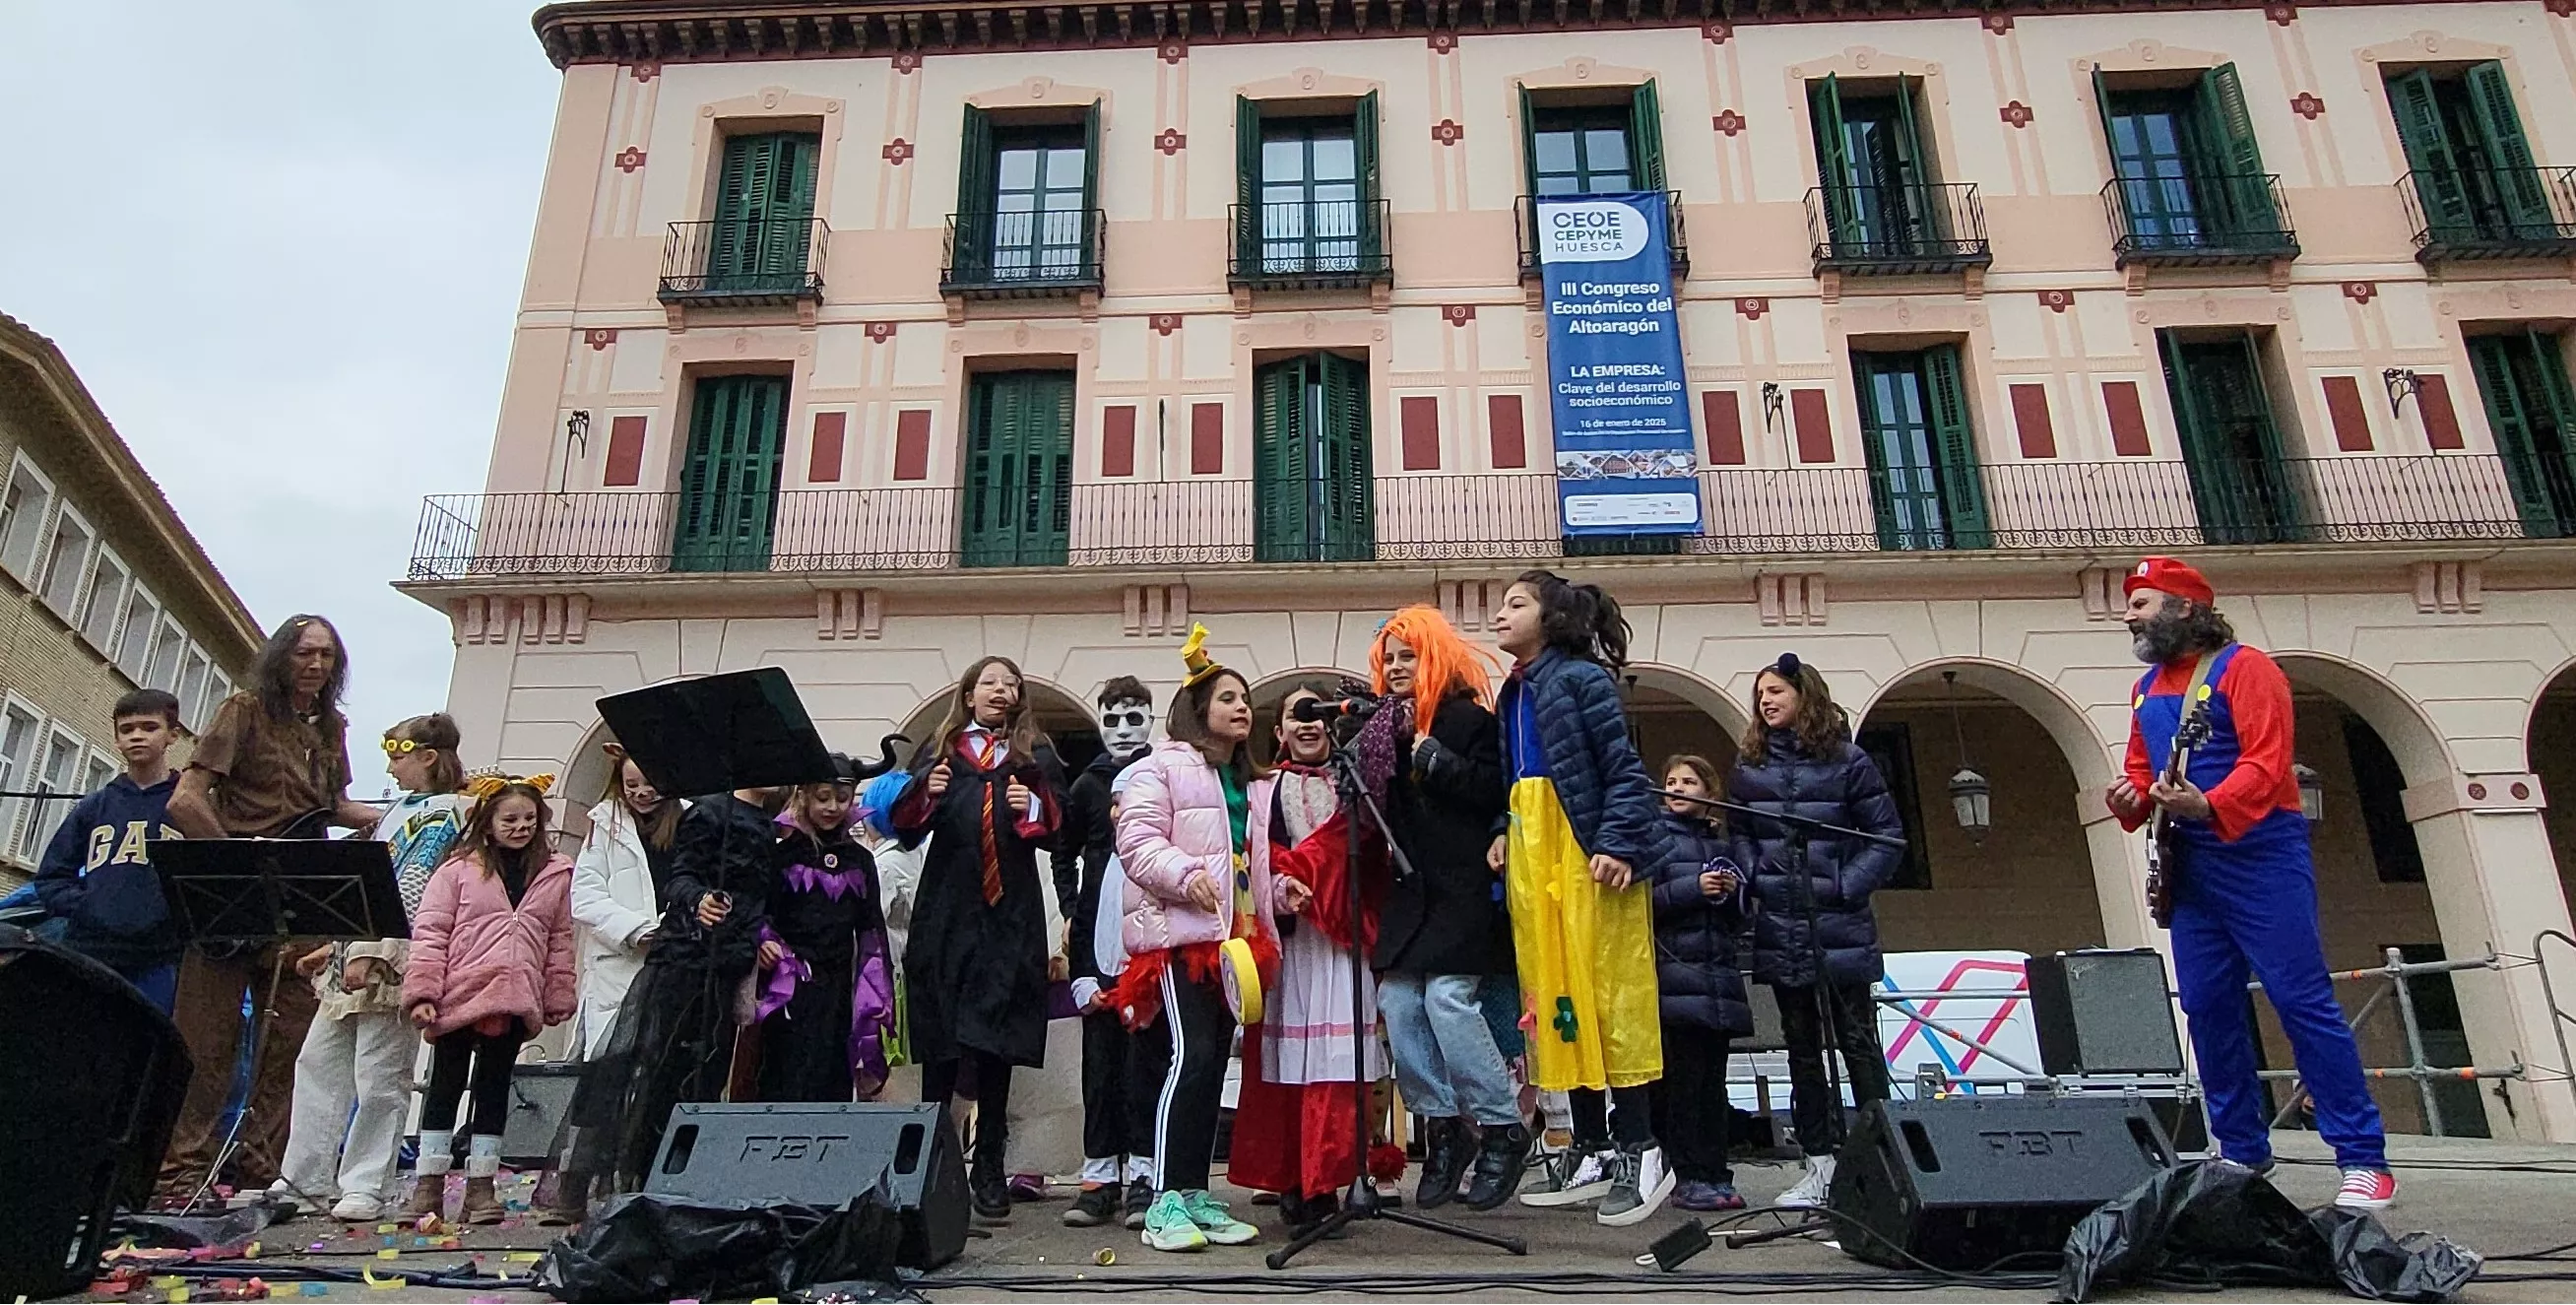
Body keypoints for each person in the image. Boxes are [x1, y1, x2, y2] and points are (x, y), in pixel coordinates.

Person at [2106, 556, 2395, 1208]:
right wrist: (2126, 796)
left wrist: (2210, 803)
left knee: (2301, 1000)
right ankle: (2239, 1148)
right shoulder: (2146, 688)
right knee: (2208, 1005)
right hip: (2193, 858)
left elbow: (2268, 763)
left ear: (2185, 607)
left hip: (2261, 852)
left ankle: (2363, 1156)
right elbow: (2138, 772)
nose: (2130, 614)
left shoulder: (2248, 668)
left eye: (2143, 603)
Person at [158, 614, 383, 1203]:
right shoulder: (245, 710)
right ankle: (180, 1177)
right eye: (304, 653)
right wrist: (234, 863)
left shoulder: (332, 727)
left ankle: (262, 1174)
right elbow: (185, 799)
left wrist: (410, 814)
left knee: (291, 1046)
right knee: (206, 1045)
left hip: (301, 897)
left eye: (326, 656)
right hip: (233, 895)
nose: (314, 665)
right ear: (281, 656)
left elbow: (334, 806)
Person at [1487, 570, 1674, 1226]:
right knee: (1556, 993)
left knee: (1608, 991)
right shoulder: (1514, 690)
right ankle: (1590, 1143)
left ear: (1551, 615)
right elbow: (1513, 777)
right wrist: (1502, 831)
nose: (1500, 613)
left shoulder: (1581, 678)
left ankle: (1642, 1146)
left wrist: (1618, 842)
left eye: (1516, 603)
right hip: (1534, 847)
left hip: (1584, 846)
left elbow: (1622, 768)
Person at [1111, 625, 1303, 1253]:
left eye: (1245, 698)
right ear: (1197, 711)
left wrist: (1278, 895)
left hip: (1232, 946)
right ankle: (1162, 1198)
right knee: (1188, 1061)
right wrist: (1185, 874)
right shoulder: (1158, 768)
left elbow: (1245, 868)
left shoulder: (1250, 783)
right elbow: (1137, 845)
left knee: (1211, 1066)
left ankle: (1193, 1192)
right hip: (1178, 942)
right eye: (1227, 698)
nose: (1241, 707)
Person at [274, 715, 472, 1221]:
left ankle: (365, 1181)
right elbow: (369, 881)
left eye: (397, 755)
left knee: (380, 1073)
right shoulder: (396, 810)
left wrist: (374, 947)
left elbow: (411, 884)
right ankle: (304, 1175)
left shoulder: (448, 811)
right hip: (354, 951)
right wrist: (337, 943)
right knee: (318, 1064)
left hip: (395, 952)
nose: (391, 766)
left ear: (428, 756)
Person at [891, 656, 1065, 1222]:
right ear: (969, 695)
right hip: (949, 910)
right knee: (943, 1040)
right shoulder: (942, 754)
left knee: (996, 1042)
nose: (1001, 690)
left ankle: (988, 1163)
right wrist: (927, 790)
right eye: (990, 682)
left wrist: (1032, 807)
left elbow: (1058, 827)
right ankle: (928, 1167)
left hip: (1008, 913)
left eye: (1011, 683)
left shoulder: (1032, 757)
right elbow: (905, 827)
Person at [1729, 653, 1904, 1209]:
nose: (1766, 701)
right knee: (1801, 1047)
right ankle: (1819, 1163)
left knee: (1858, 1043)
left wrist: (1844, 886)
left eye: (1776, 691)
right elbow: (1738, 838)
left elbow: (1886, 836)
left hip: (1841, 923)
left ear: (1805, 695)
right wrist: (1757, 878)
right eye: (1761, 694)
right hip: (1780, 923)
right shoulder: (1748, 769)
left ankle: (1887, 1160)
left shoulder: (1850, 763)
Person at [1366, 606, 1525, 1211]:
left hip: (1462, 888)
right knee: (1397, 1001)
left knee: (1447, 998)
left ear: (1434, 656)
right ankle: (1442, 1127)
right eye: (1390, 656)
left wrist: (1435, 758)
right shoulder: (1385, 729)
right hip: (1413, 891)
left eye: (1409, 655)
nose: (1398, 666)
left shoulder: (1467, 719)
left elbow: (1496, 790)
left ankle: (1503, 1127)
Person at [563, 778, 782, 1195]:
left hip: (729, 965)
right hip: (686, 962)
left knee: (708, 1070)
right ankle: (625, 1178)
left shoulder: (769, 824)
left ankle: (679, 1175)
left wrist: (760, 937)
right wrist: (699, 900)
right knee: (654, 1070)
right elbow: (681, 878)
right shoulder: (709, 811)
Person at [1228, 684, 1387, 1239]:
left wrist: (1314, 874)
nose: (1307, 723)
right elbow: (1248, 856)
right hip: (1287, 942)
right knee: (1285, 1069)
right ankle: (1292, 1181)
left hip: (1341, 940)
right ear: (1279, 731)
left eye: (1316, 713)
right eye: (1296, 714)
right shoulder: (1258, 789)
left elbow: (1369, 853)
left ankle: (1330, 1183)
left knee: (1337, 1069)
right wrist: (1282, 883)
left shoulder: (1356, 785)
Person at [399, 776, 577, 1223]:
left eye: (529, 819)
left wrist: (557, 990)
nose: (520, 827)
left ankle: (482, 1185)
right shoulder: (457, 871)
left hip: (514, 997)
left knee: (494, 1089)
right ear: (488, 821)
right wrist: (424, 991)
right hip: (460, 993)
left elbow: (559, 938)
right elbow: (431, 933)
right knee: (445, 1087)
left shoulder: (554, 872)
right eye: (510, 819)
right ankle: (429, 1185)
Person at [1058, 677, 1171, 1231]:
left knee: (1146, 1065)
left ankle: (1147, 1176)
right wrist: (1070, 913)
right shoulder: (1085, 786)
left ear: (1152, 719)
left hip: (1149, 939)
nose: (1124, 731)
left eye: (1134, 718)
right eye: (1112, 720)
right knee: (1098, 1068)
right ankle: (1099, 1177)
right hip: (1099, 937)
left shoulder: (1166, 774)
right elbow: (1065, 853)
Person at [32, 688, 187, 1014]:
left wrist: (171, 920)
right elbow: (51, 877)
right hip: (90, 951)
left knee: (148, 1047)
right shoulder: (94, 807)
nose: (137, 737)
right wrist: (89, 906)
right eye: (127, 729)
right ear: (116, 738)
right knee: (86, 1041)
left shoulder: (186, 807)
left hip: (159, 959)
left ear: (173, 734)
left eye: (149, 727)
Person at [756, 755, 899, 1103]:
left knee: (833, 1071)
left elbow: (871, 930)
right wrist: (765, 941)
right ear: (803, 795)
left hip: (838, 988)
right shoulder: (782, 856)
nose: (832, 807)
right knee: (788, 1071)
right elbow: (761, 913)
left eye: (842, 798)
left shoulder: (860, 861)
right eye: (822, 797)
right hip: (788, 985)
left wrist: (876, 993)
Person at [1647, 754, 1752, 1212]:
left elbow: (1740, 920)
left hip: (1717, 980)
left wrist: (1732, 895)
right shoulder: (1654, 840)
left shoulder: (1720, 844)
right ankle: (1687, 1173)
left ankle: (1717, 1172)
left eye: (1689, 781)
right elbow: (1641, 905)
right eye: (1671, 781)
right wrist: (1695, 888)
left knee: (1714, 1085)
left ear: (1708, 791)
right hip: (1674, 979)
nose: (1677, 788)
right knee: (1683, 1084)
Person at [570, 748, 682, 1060]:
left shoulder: (690, 821)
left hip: (672, 961)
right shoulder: (604, 825)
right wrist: (635, 930)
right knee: (612, 1062)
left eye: (649, 784)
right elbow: (585, 896)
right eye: (631, 785)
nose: (641, 793)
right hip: (618, 965)